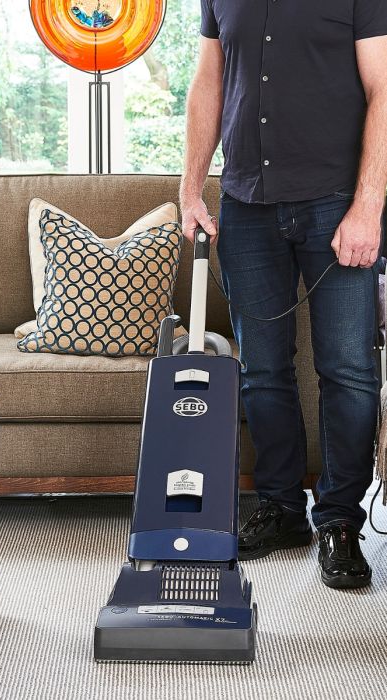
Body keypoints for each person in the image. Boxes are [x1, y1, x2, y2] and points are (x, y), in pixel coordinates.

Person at [180, 0, 387, 589]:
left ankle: (340, 521)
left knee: (348, 371)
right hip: (246, 203)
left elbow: (384, 90)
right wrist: (191, 188)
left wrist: (369, 206)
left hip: (336, 202)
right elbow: (209, 80)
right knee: (262, 369)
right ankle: (282, 507)